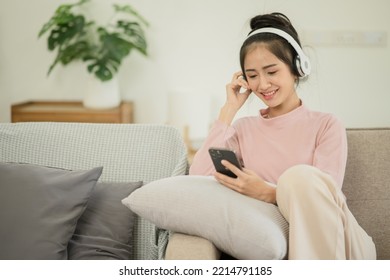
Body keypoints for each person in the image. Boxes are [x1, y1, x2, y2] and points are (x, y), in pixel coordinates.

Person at [189, 12, 376, 260]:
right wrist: (228, 110)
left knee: (300, 177)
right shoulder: (243, 129)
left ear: (297, 69)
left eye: (271, 71)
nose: (263, 84)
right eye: (252, 75)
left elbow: (326, 199)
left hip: (343, 243)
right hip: (279, 246)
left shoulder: (327, 125)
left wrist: (268, 192)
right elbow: (197, 178)